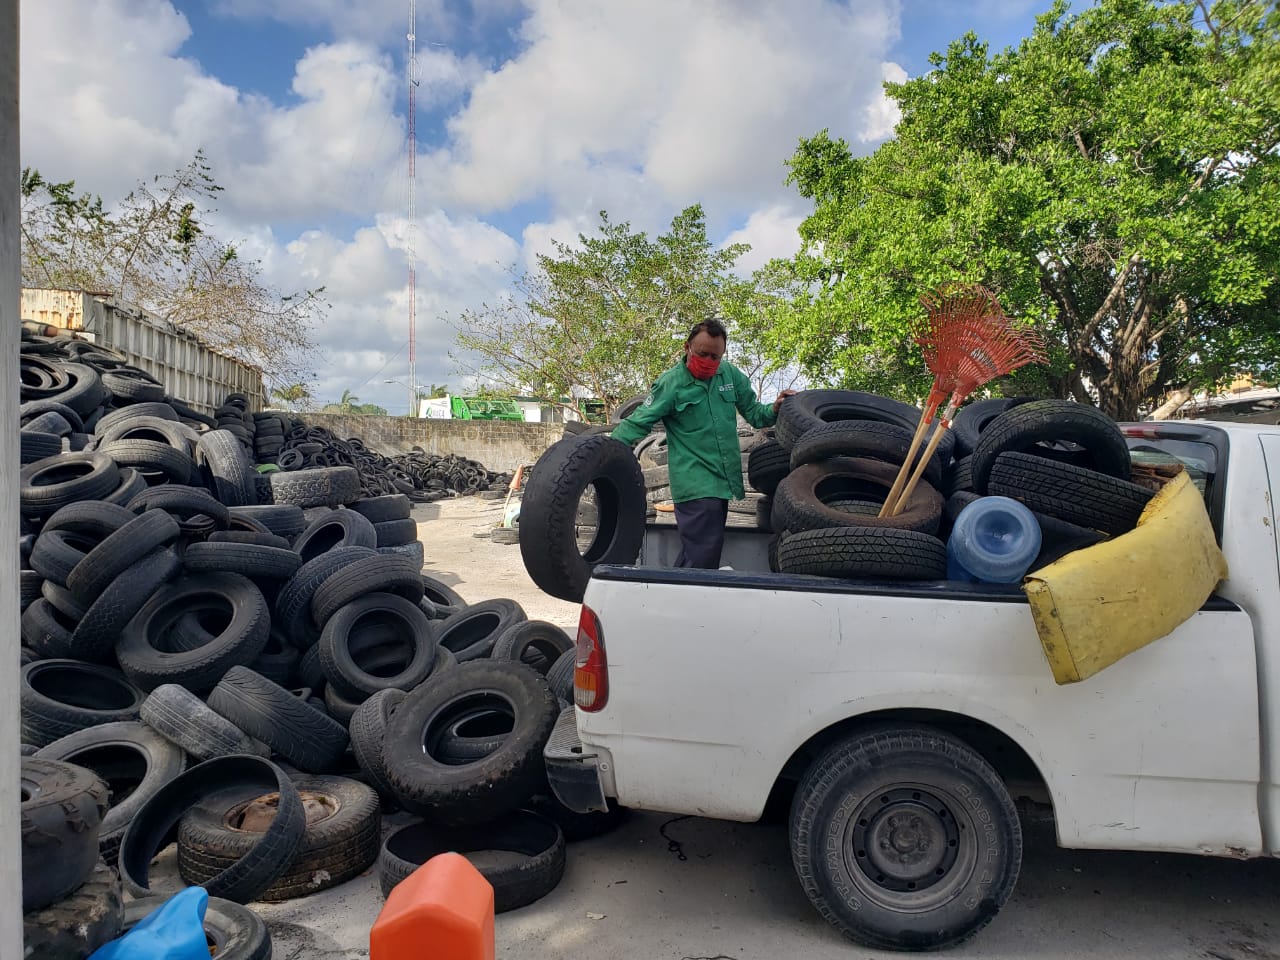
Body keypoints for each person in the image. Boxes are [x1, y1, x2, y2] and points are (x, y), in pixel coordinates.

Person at [611, 319, 795, 569]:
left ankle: (673, 597)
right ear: (687, 347)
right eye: (703, 354)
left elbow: (754, 413)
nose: (709, 362)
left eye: (715, 356)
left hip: (722, 481)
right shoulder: (671, 383)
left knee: (702, 552)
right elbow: (639, 421)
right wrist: (607, 453)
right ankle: (684, 601)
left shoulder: (729, 375)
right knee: (703, 552)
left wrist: (775, 407)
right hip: (694, 481)